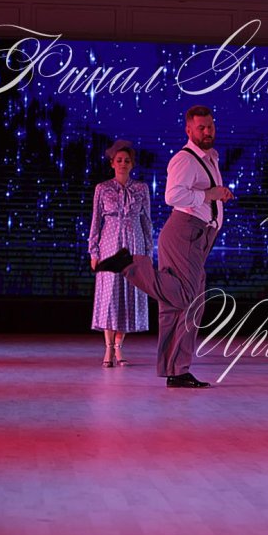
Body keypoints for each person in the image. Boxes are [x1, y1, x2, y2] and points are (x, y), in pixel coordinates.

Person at [95, 105, 233, 388]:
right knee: (188, 300)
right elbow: (173, 196)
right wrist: (209, 194)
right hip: (186, 232)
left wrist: (216, 196)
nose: (207, 131)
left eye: (210, 126)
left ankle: (175, 370)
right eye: (201, 127)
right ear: (188, 130)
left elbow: (201, 194)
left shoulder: (209, 157)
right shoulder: (184, 159)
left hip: (198, 235)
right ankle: (129, 265)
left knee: (178, 305)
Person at [88, 140, 152, 367]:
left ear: (132, 164)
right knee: (109, 296)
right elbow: (96, 221)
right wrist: (93, 251)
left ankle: (119, 347)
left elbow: (146, 222)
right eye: (119, 160)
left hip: (134, 245)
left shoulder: (141, 189)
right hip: (109, 245)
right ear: (112, 163)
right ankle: (108, 349)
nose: (123, 164)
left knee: (128, 294)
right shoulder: (102, 188)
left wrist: (148, 252)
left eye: (127, 160)